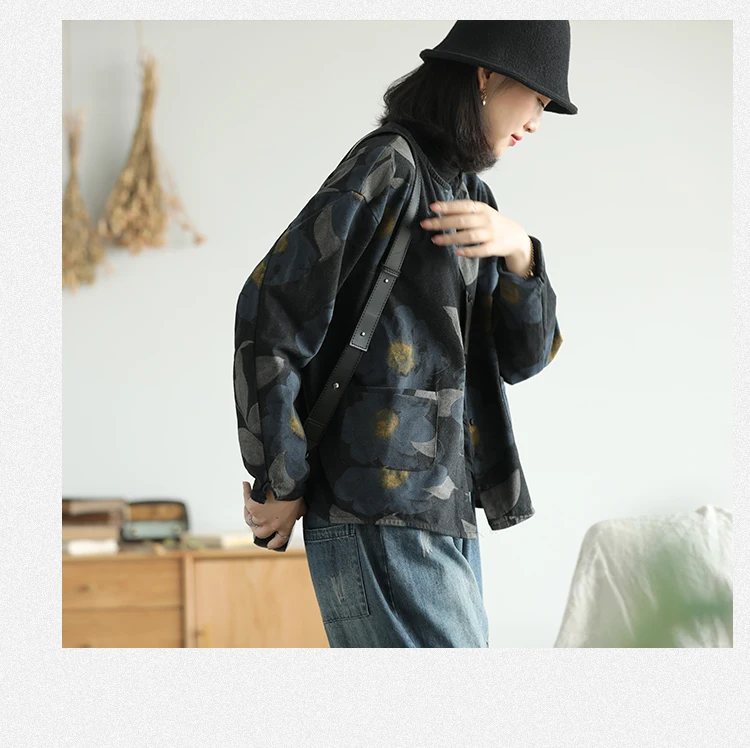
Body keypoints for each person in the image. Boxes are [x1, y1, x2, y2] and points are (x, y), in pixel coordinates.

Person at [234, 21, 577, 647]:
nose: (537, 121)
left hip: (441, 507)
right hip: (378, 503)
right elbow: (270, 311)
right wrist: (281, 478)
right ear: (485, 75)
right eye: (537, 97)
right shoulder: (389, 165)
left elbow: (522, 359)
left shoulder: (469, 194)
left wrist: (522, 252)